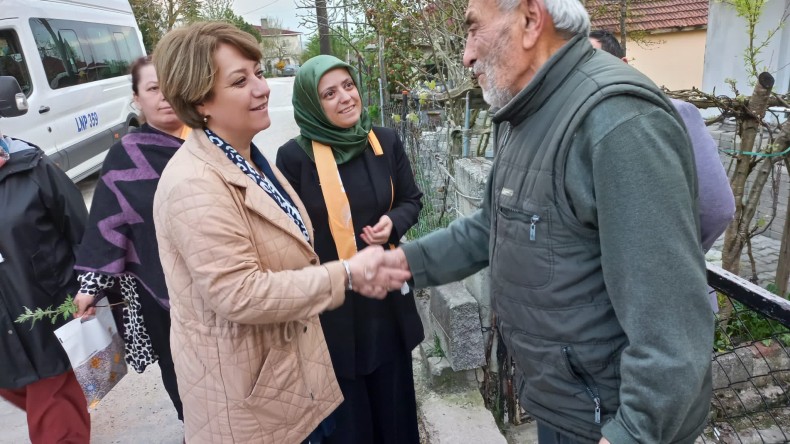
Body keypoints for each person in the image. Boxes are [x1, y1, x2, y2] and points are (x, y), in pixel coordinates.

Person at [382, 1, 715, 443]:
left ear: (530, 19)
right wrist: (403, 263)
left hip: (608, 421)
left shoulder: (616, 120)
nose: (466, 54)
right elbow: (492, 226)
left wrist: (632, 433)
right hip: (563, 402)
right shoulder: (526, 112)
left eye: (474, 29)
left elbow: (671, 325)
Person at [151, 22, 410, 443]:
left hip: (290, 378)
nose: (262, 88)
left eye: (258, 73)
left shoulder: (250, 160)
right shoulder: (194, 183)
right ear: (199, 100)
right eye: (240, 81)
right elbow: (239, 293)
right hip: (253, 398)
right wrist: (346, 274)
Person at [276, 55, 424, 444]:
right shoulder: (294, 159)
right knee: (350, 422)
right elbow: (290, 236)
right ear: (311, 104)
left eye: (348, 85)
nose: (345, 97)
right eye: (329, 93)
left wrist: (393, 221)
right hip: (334, 307)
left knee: (395, 413)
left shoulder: (383, 141)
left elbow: (411, 199)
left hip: (384, 297)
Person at [72, 55, 188, 421]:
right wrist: (90, 288)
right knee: (178, 368)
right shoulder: (125, 156)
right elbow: (107, 226)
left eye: (170, 85)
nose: (164, 96)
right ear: (137, 98)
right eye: (153, 88)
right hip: (159, 291)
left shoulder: (212, 139)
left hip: (223, 277)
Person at [589, 29, 736, 310]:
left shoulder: (675, 113)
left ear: (623, 64)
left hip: (670, 298)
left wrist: (676, 253)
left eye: (593, 62)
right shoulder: (576, 123)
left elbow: (717, 208)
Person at [0, 129, 90, 442]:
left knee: (52, 398)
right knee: (24, 387)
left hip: (45, 306)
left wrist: (89, 286)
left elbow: (79, 228)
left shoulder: (31, 167)